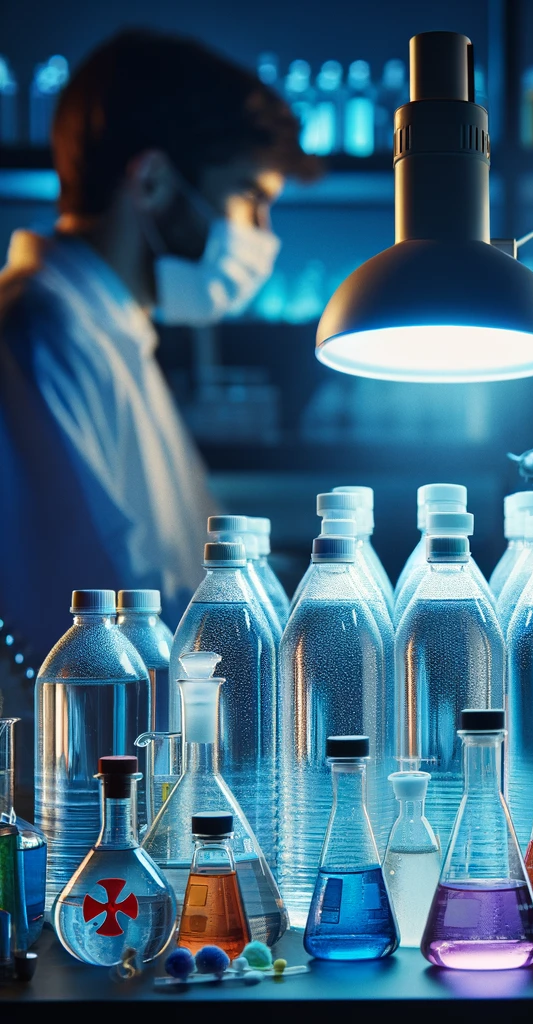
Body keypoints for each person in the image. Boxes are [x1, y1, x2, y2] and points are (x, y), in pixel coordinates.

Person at [0, 30, 318, 690]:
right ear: (150, 181)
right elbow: (81, 623)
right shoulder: (42, 334)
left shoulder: (111, 332)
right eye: (249, 198)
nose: (261, 237)